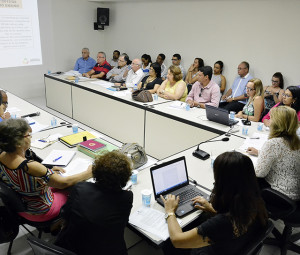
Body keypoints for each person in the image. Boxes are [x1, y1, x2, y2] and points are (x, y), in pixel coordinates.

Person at [162, 151, 268, 255]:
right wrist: (212, 210)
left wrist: (170, 211)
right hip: (234, 246)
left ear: (225, 184)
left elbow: (177, 240)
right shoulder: (256, 201)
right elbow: (234, 224)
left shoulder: (221, 224)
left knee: (167, 243)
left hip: (209, 250)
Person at [0, 119, 92, 222]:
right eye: (28, 135)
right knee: (78, 190)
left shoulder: (2, 156)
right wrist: (89, 173)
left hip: (22, 206)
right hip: (41, 211)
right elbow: (64, 183)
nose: (30, 137)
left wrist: (48, 171)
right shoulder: (29, 166)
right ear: (17, 143)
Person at [55, 151, 133, 255]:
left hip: (73, 247)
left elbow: (66, 214)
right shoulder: (127, 197)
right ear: (125, 177)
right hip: (107, 249)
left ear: (96, 170)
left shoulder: (80, 188)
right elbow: (122, 223)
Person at [247, 106, 300, 201]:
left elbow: (259, 173)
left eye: (271, 118)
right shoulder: (296, 141)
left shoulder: (273, 143)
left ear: (277, 123)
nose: (269, 121)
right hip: (295, 194)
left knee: (243, 177)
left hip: (279, 195)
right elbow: (285, 157)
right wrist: (260, 153)